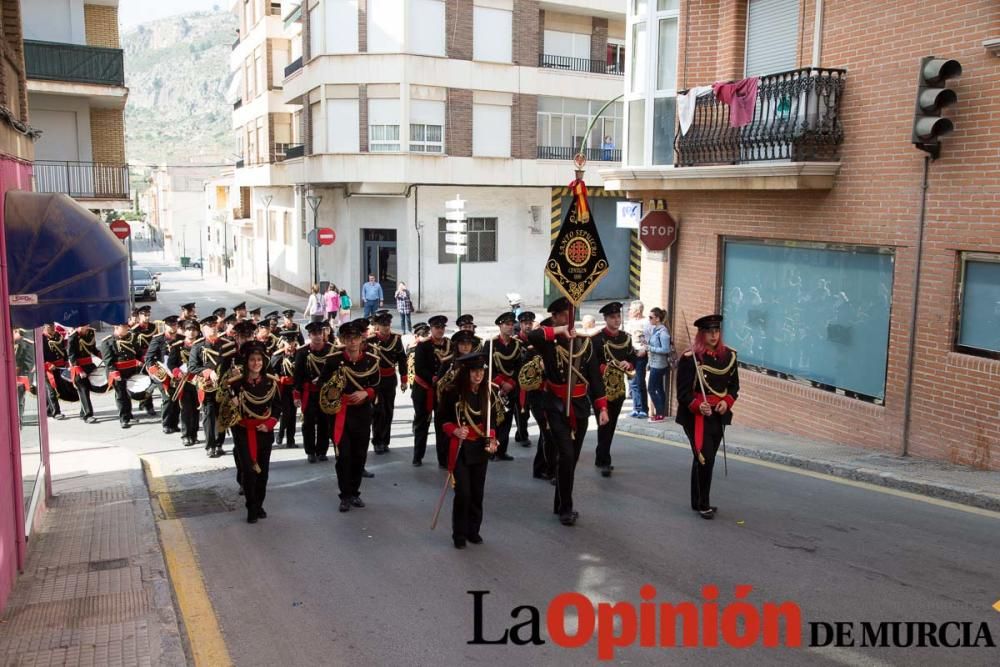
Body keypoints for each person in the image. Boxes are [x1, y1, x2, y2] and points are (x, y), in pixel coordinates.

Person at [527, 297, 608, 526]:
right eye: (563, 316)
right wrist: (559, 329)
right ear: (555, 317)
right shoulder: (549, 342)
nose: (568, 319)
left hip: (580, 406)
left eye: (570, 315)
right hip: (555, 406)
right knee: (566, 454)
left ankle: (559, 501)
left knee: (570, 460)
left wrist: (601, 407)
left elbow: (594, 378)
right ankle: (566, 508)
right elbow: (530, 336)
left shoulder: (584, 343)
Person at [675, 314, 739, 520]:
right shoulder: (691, 359)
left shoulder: (729, 356)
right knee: (706, 458)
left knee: (702, 459)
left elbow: (734, 386)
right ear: (701, 334)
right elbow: (682, 393)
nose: (714, 335)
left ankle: (697, 500)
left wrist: (726, 402)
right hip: (695, 416)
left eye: (716, 331)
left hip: (718, 414)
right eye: (709, 332)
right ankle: (704, 504)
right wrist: (697, 405)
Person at [439, 352, 500, 549]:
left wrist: (492, 438)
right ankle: (459, 533)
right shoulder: (452, 392)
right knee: (463, 493)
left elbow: (491, 420)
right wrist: (455, 430)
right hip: (461, 449)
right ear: (466, 373)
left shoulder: (488, 392)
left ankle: (474, 530)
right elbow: (442, 420)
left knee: (477, 493)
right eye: (474, 371)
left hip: (480, 448)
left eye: (481, 371)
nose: (478, 375)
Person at [322, 320, 381, 512]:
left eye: (356, 338)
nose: (353, 342)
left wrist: (366, 393)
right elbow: (322, 386)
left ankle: (355, 492)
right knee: (344, 456)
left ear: (361, 339)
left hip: (362, 414)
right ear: (343, 340)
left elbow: (377, 384)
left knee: (359, 455)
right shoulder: (333, 361)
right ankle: (345, 495)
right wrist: (336, 395)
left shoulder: (371, 361)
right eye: (348, 339)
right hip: (340, 414)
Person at [227, 341, 281, 524]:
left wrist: (270, 424)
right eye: (252, 360)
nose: (256, 363)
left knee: (262, 472)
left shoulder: (271, 383)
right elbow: (225, 409)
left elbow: (277, 406)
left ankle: (259, 504)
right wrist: (231, 404)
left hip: (264, 431)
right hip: (243, 431)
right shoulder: (235, 383)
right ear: (246, 362)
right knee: (249, 472)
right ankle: (251, 506)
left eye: (259, 360)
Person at [592, 302, 637, 477]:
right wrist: (603, 367)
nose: (616, 320)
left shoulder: (626, 338)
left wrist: (629, 363)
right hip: (601, 388)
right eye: (612, 317)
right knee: (604, 423)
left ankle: (601, 455)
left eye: (618, 316)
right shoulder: (597, 339)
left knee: (611, 425)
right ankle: (604, 460)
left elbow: (632, 356)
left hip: (618, 388)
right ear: (605, 319)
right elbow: (591, 364)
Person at [188, 316, 237, 457]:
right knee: (209, 416)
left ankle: (219, 443)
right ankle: (210, 446)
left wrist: (233, 371)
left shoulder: (226, 344)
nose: (214, 328)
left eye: (215, 326)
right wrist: (208, 372)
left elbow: (232, 363)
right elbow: (192, 367)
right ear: (203, 329)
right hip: (207, 386)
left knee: (223, 415)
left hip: (223, 386)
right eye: (210, 326)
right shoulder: (198, 346)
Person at [517, 312, 554, 481]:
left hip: (553, 397)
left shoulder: (558, 350)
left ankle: (540, 467)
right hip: (538, 397)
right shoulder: (532, 352)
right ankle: (551, 470)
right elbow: (526, 375)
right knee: (548, 433)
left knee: (548, 434)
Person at [411, 315, 452, 466]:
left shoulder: (449, 344)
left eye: (442, 327)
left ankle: (443, 459)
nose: (440, 330)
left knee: (442, 425)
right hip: (424, 390)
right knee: (422, 424)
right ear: (431, 329)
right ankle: (417, 456)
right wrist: (434, 379)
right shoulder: (423, 345)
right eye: (437, 328)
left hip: (441, 392)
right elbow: (419, 369)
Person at [294, 321, 335, 463]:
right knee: (309, 423)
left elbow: (337, 371)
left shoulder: (331, 350)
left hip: (325, 391)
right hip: (309, 392)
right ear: (309, 335)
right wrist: (297, 394)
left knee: (325, 422)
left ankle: (322, 451)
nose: (318, 337)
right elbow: (297, 375)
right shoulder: (302, 352)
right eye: (314, 334)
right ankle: (310, 451)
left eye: (320, 333)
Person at [367, 310, 407, 455]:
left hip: (390, 379)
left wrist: (404, 379)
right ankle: (377, 441)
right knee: (378, 411)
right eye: (382, 324)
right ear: (377, 325)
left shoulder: (396, 339)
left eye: (387, 324)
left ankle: (385, 441)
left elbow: (402, 359)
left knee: (388, 410)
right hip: (376, 379)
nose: (386, 327)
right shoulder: (371, 341)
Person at [486, 312, 523, 461]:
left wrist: (512, 383)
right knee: (492, 420)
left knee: (507, 421)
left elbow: (520, 366)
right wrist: (501, 383)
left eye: (511, 324)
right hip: (496, 387)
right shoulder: (491, 344)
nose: (509, 327)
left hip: (511, 388)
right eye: (506, 324)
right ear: (500, 326)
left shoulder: (517, 345)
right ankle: (490, 451)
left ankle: (502, 451)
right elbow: (487, 367)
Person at [101, 322, 142, 429]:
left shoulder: (132, 338)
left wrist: (141, 361)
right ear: (116, 327)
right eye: (124, 327)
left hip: (131, 370)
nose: (126, 329)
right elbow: (108, 361)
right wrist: (115, 372)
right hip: (117, 372)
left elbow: (138, 353)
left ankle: (129, 415)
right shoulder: (108, 341)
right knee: (121, 395)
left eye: (127, 327)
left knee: (128, 394)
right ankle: (124, 419)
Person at [168, 320, 202, 446]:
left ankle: (194, 434)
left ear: (198, 332)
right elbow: (171, 363)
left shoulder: (202, 346)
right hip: (184, 381)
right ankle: (186, 435)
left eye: (194, 330)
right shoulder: (178, 346)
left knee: (196, 409)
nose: (191, 332)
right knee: (186, 409)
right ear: (185, 331)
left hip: (198, 381)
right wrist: (177, 371)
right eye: (188, 329)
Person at [145, 315, 181, 434]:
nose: (173, 327)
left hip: (177, 372)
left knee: (176, 399)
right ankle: (166, 424)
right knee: (167, 398)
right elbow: (149, 359)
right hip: (163, 373)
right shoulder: (158, 339)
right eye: (170, 325)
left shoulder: (181, 338)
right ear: (165, 326)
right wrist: (157, 373)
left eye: (175, 324)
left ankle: (174, 424)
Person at [269, 329, 300, 448]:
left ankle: (290, 440)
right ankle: (281, 434)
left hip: (294, 387)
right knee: (286, 412)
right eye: (288, 343)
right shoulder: (278, 356)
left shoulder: (299, 354)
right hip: (282, 388)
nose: (291, 345)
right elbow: (271, 372)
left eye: (292, 343)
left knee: (292, 413)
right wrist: (279, 378)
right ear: (284, 343)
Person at [68, 324, 102, 423]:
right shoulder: (73, 337)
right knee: (83, 389)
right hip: (78, 367)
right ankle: (88, 415)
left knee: (98, 384)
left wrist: (102, 357)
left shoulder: (91, 333)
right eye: (83, 327)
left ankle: (83, 412)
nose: (86, 328)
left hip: (89, 365)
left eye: (87, 326)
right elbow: (71, 356)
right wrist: (79, 370)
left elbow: (93, 349)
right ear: (78, 326)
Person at [130, 305, 157, 416]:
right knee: (145, 382)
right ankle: (147, 405)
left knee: (154, 382)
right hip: (141, 359)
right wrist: (137, 361)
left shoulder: (153, 327)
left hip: (153, 358)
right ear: (139, 316)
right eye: (144, 315)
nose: (147, 317)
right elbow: (132, 348)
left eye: (148, 315)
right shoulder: (134, 330)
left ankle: (146, 403)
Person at [624, 300, 649, 418]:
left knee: (640, 381)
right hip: (631, 354)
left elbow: (649, 339)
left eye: (631, 309)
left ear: (638, 311)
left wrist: (644, 350)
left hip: (640, 355)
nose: (629, 311)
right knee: (632, 382)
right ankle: (636, 408)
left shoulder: (646, 323)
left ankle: (644, 409)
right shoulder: (629, 323)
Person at [42, 323, 72, 420]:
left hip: (59, 367)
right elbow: (38, 355)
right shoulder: (41, 339)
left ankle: (48, 410)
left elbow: (63, 350)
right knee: (51, 390)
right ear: (45, 327)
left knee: (57, 389)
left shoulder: (58, 336)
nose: (53, 329)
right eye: (50, 327)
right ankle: (56, 412)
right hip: (47, 368)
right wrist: (47, 364)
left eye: (53, 326)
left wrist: (66, 361)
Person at [647, 307, 672, 422]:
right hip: (654, 363)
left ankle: (660, 413)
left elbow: (666, 349)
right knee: (659, 388)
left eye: (651, 317)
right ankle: (662, 413)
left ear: (657, 318)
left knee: (651, 389)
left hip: (659, 365)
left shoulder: (663, 332)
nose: (649, 319)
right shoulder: (655, 330)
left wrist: (650, 348)